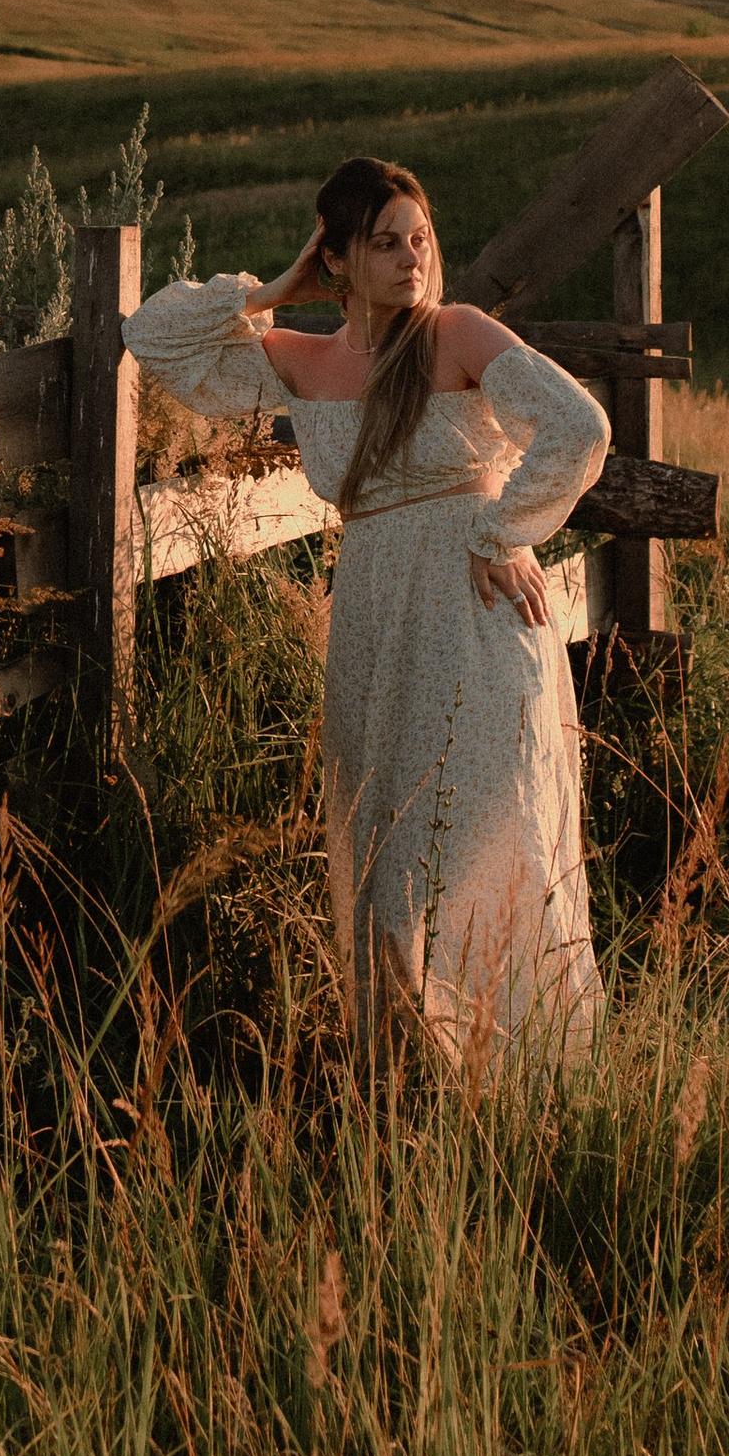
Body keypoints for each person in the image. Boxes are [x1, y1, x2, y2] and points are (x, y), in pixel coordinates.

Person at [123, 155, 611, 1063]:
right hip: (374, 619)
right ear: (336, 258)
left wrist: (504, 532)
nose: (411, 259)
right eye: (383, 243)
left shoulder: (458, 334)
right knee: (386, 859)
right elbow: (156, 338)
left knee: (487, 838)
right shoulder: (303, 362)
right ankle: (407, 1080)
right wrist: (274, 289)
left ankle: (528, 1084)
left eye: (420, 239)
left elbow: (580, 428)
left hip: (475, 607)